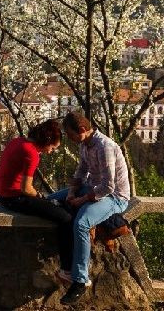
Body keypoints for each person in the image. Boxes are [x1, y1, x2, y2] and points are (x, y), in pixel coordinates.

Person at [48, 112, 132, 305]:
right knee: (50, 201)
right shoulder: (85, 145)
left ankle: (79, 279)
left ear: (83, 130)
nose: (69, 139)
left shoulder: (105, 147)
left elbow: (108, 186)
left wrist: (83, 199)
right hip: (92, 188)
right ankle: (67, 267)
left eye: (70, 135)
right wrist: (72, 191)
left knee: (82, 223)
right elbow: (81, 171)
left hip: (114, 197)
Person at [0, 119, 74, 277]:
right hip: (14, 197)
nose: (51, 152)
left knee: (56, 205)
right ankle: (67, 269)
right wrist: (40, 197)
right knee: (65, 218)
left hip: (1, 193)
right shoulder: (31, 153)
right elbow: (26, 188)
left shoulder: (17, 141)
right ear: (47, 141)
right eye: (52, 147)